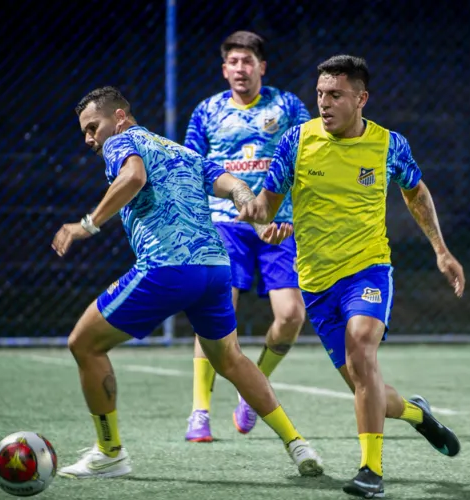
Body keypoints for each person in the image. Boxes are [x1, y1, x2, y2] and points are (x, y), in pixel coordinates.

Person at [51, 86, 323, 478]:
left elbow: (133, 176)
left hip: (169, 267)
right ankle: (298, 445)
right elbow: (232, 184)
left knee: (83, 343)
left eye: (94, 126)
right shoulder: (180, 150)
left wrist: (86, 225)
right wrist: (250, 205)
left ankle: (110, 453)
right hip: (215, 269)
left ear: (121, 117)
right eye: (85, 133)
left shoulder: (121, 142)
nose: (91, 138)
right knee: (230, 358)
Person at [237, 55, 465, 498]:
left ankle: (370, 473)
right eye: (320, 94)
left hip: (368, 267)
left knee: (363, 348)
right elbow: (266, 203)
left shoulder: (388, 145)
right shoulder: (296, 142)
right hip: (317, 283)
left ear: (361, 98)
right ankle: (419, 414)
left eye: (335, 95)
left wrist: (441, 250)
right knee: (368, 386)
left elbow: (415, 191)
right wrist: (255, 214)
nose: (324, 102)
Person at [183, 31, 311, 442]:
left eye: (248, 61)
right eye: (233, 62)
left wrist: (295, 211)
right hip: (226, 226)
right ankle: (199, 412)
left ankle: (252, 391)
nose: (241, 69)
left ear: (262, 67)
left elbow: (314, 153)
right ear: (224, 70)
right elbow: (192, 169)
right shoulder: (206, 112)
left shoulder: (287, 106)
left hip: (279, 226)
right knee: (217, 316)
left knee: (291, 316)